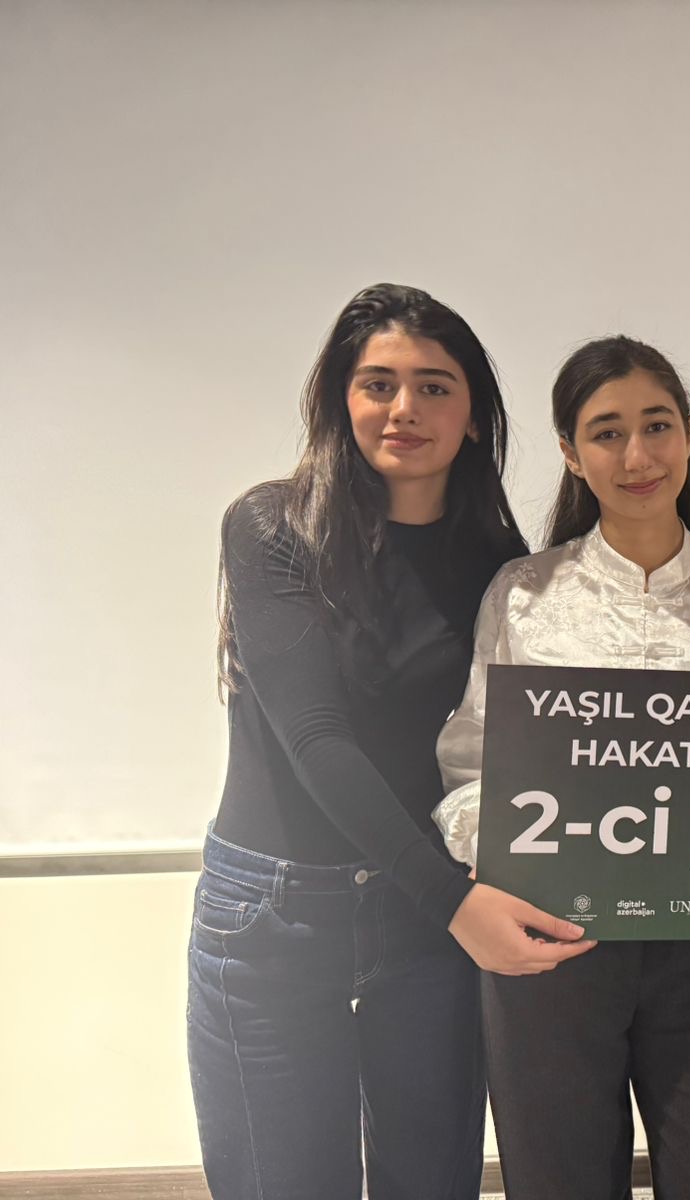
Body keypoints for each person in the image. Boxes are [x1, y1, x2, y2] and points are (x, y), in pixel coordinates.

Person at [188, 283, 560, 1199]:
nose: (404, 409)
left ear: (474, 416)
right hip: (277, 918)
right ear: (339, 399)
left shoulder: (500, 564)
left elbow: (533, 738)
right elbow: (318, 741)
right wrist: (456, 903)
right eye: (378, 384)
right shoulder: (272, 526)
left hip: (424, 920)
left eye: (434, 387)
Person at [432, 335, 690, 1200]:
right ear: (570, 452)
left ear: (689, 435)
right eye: (607, 433)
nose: (638, 456)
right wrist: (495, 853)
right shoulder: (523, 593)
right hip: (549, 941)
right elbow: (469, 761)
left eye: (658, 425)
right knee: (558, 1181)